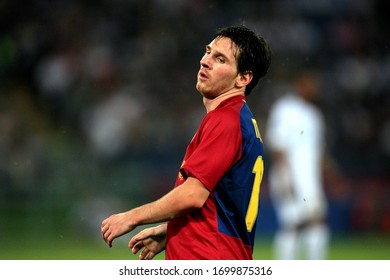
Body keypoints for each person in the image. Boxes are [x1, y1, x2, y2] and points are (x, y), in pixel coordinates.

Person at [101, 25, 271, 260]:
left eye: (220, 59)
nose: (205, 61)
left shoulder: (226, 120)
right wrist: (171, 231)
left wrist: (132, 217)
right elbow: (221, 205)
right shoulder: (238, 118)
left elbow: (193, 195)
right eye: (208, 52)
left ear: (243, 78)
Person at [265, 71, 329, 259]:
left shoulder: (315, 114)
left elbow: (317, 151)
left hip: (309, 178)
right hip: (290, 174)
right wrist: (285, 176)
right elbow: (277, 144)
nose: (312, 89)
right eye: (309, 84)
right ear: (299, 85)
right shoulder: (285, 108)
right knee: (292, 224)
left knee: (316, 221)